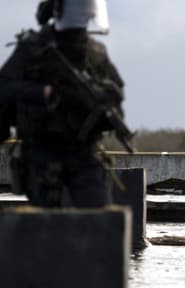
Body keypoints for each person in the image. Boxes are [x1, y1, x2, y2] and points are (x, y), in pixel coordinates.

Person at [0, 0, 126, 207]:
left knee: (101, 219)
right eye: (77, 9)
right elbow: (4, 87)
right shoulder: (34, 48)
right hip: (42, 152)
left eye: (86, 9)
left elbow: (115, 95)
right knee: (48, 225)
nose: (82, 14)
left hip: (83, 153)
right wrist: (43, 92)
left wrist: (105, 104)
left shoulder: (95, 52)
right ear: (58, 10)